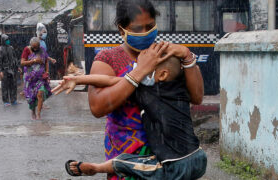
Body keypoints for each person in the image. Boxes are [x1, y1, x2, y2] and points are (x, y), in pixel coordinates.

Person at [57, 0, 203, 179]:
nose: (145, 33)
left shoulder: (165, 56)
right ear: (121, 30)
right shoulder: (108, 58)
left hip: (170, 158)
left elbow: (196, 97)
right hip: (127, 159)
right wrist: (140, 71)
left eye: (150, 26)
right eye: (137, 28)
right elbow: (98, 107)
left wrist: (187, 57)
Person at [53, 54, 207, 179]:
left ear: (162, 74)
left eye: (144, 69)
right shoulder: (180, 88)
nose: (138, 72)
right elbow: (194, 72)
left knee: (126, 162)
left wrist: (78, 80)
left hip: (177, 164)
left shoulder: (146, 90)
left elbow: (111, 81)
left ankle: (96, 168)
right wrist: (186, 55)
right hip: (198, 156)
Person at [20, 37, 52, 120]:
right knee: (31, 97)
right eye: (34, 47)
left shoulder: (42, 50)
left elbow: (46, 61)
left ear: (39, 45)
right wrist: (33, 61)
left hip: (40, 77)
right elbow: (22, 62)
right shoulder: (26, 50)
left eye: (37, 47)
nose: (35, 49)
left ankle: (38, 114)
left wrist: (47, 72)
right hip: (29, 78)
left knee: (40, 93)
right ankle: (33, 112)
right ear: (31, 46)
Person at [0, 34, 21, 106]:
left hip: (12, 70)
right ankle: (6, 101)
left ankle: (14, 100)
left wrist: (18, 66)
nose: (8, 41)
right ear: (3, 41)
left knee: (13, 85)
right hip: (4, 70)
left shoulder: (11, 48)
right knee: (5, 86)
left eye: (8, 40)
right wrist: (0, 71)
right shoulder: (0, 49)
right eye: (6, 40)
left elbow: (15, 58)